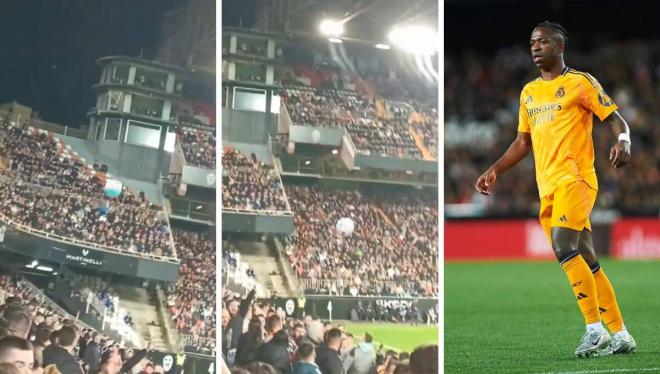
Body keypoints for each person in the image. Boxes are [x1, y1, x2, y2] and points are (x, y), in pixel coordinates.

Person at [475, 21, 635, 357]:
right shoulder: (529, 92)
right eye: (532, 42)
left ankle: (594, 329)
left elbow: (615, 117)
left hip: (575, 180)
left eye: (543, 42)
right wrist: (495, 169)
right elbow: (522, 142)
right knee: (588, 259)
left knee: (564, 246)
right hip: (546, 187)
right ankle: (620, 334)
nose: (535, 47)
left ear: (560, 47)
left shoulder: (580, 82)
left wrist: (623, 140)